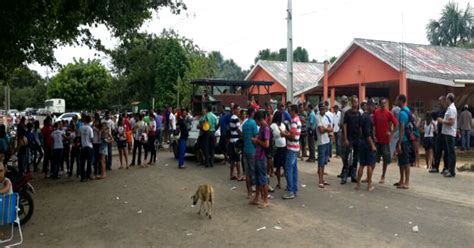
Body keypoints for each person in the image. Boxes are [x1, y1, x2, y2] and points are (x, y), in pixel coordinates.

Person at [372, 97, 398, 184]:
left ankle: (383, 176)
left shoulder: (389, 113)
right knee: (374, 159)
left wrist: (391, 133)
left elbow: (396, 124)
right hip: (377, 140)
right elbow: (374, 125)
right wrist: (374, 135)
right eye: (382, 103)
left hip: (386, 141)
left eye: (385, 103)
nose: (383, 105)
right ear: (379, 104)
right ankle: (369, 175)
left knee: (385, 160)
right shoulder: (376, 112)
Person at [250, 111, 270, 208]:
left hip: (262, 157)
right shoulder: (262, 127)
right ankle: (257, 198)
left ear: (258, 119)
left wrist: (257, 140)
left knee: (263, 179)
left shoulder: (265, 128)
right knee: (258, 179)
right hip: (258, 156)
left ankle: (265, 200)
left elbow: (266, 144)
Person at [280, 104, 301, 199]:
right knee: (294, 169)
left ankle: (290, 190)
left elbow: (292, 137)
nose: (289, 112)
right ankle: (294, 189)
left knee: (288, 169)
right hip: (295, 147)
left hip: (292, 148)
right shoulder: (298, 120)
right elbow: (293, 134)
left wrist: (284, 134)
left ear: (293, 111)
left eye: (290, 110)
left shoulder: (293, 121)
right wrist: (287, 133)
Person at [356, 99, 377, 191]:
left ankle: (358, 185)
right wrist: (372, 144)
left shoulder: (362, 115)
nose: (374, 108)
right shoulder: (368, 117)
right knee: (369, 164)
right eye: (372, 106)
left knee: (361, 164)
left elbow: (360, 129)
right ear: (368, 106)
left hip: (361, 142)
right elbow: (368, 134)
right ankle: (369, 186)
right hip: (367, 143)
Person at [341, 96, 361, 184]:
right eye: (354, 102)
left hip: (357, 138)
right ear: (351, 103)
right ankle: (344, 176)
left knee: (356, 158)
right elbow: (344, 126)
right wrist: (345, 138)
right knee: (346, 157)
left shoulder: (359, 114)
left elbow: (360, 127)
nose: (355, 104)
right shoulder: (347, 113)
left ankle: (353, 175)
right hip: (349, 138)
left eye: (357, 102)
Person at [438, 93, 457, 178]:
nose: (445, 100)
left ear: (449, 99)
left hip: (450, 133)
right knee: (449, 153)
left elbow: (451, 122)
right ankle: (449, 169)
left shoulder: (452, 109)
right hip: (447, 133)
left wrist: (442, 121)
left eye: (446, 99)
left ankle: (452, 171)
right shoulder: (450, 108)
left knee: (451, 153)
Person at [242, 108, 258, 199]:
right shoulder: (253, 123)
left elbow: (243, 137)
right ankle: (255, 190)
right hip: (253, 150)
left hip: (246, 150)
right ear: (252, 113)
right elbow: (256, 137)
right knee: (254, 171)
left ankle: (249, 193)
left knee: (247, 173)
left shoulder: (244, 124)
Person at [396, 95, 411, 189]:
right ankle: (401, 180)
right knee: (401, 162)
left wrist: (399, 143)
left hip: (403, 140)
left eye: (397, 100)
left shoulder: (401, 113)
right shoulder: (407, 110)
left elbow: (401, 129)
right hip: (406, 139)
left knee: (405, 162)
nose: (396, 101)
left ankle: (406, 181)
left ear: (401, 101)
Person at [315, 102, 332, 188]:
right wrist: (327, 129)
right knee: (321, 162)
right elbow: (321, 130)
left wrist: (326, 129)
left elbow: (330, 128)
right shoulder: (318, 117)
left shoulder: (326, 117)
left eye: (324, 108)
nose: (323, 110)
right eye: (322, 108)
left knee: (324, 161)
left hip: (327, 141)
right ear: (319, 109)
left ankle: (322, 179)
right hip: (321, 142)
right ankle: (320, 180)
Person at [430, 96, 448, 173]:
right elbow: (435, 116)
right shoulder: (440, 110)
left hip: (445, 133)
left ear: (444, 101)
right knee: (437, 151)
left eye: (440, 101)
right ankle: (435, 167)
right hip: (439, 134)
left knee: (446, 152)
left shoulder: (447, 110)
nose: (439, 103)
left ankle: (446, 167)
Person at [270, 111, 286, 189]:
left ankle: (287, 184)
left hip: (284, 146)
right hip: (277, 147)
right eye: (282, 116)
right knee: (278, 166)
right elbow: (270, 136)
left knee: (285, 166)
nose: (283, 118)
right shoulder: (272, 126)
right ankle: (279, 183)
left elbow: (286, 133)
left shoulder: (283, 125)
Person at [228, 105, 243, 180]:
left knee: (232, 159)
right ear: (234, 110)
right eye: (238, 109)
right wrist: (243, 136)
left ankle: (232, 174)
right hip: (236, 141)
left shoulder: (232, 118)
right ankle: (239, 175)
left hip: (231, 140)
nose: (239, 111)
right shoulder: (236, 118)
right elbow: (238, 130)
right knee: (238, 159)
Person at [337, 95, 351, 177]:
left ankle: (345, 170)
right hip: (351, 134)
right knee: (349, 153)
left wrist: (339, 124)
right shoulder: (350, 109)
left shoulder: (343, 110)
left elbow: (342, 124)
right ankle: (348, 170)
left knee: (343, 153)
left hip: (344, 133)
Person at [79, 115, 94, 182]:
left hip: (83, 147)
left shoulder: (81, 128)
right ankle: (88, 176)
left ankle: (82, 177)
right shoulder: (90, 128)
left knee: (82, 163)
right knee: (89, 162)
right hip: (89, 147)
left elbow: (79, 137)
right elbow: (91, 139)